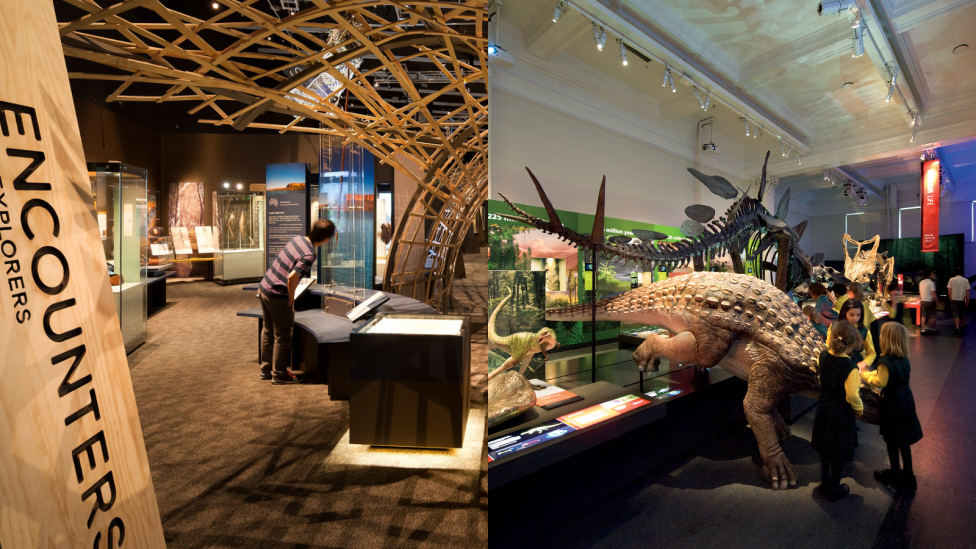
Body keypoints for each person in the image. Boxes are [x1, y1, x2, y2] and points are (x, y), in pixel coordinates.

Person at [258, 219, 336, 384]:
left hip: (265, 286)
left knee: (268, 329)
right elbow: (292, 277)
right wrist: (291, 298)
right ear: (327, 238)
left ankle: (266, 369)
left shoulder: (298, 239)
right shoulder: (310, 254)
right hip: (277, 294)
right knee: (283, 334)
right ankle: (278, 374)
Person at [860, 322, 923, 492]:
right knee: (904, 442)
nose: (879, 336)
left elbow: (881, 381)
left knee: (892, 440)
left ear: (887, 339)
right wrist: (873, 373)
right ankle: (909, 476)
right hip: (905, 401)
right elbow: (888, 376)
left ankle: (895, 474)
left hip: (893, 405)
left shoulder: (885, 361)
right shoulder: (903, 359)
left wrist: (864, 374)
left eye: (881, 334)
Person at [812, 320, 864, 501]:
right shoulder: (851, 368)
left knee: (825, 449)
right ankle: (835, 487)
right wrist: (859, 409)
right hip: (841, 414)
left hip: (824, 408)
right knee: (839, 451)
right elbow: (852, 395)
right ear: (852, 344)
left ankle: (824, 482)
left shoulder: (823, 356)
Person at [826, 299, 876, 369]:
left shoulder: (864, 331)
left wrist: (865, 363)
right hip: (837, 365)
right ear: (844, 313)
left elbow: (871, 353)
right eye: (851, 315)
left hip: (856, 367)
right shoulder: (834, 327)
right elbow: (828, 346)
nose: (855, 318)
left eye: (858, 315)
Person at [947, 267, 969, 335]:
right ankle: (963, 324)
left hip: (954, 299)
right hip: (962, 299)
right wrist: (967, 300)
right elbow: (967, 291)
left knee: (955, 314)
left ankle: (957, 328)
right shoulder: (965, 280)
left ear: (955, 272)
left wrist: (950, 298)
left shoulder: (951, 280)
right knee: (962, 313)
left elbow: (949, 290)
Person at [918, 270, 938, 335]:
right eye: (931, 273)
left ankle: (923, 329)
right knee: (933, 315)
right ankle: (930, 327)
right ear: (929, 275)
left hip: (923, 301)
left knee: (923, 315)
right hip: (930, 301)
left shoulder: (921, 282)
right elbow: (933, 293)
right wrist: (936, 300)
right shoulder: (931, 283)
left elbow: (920, 292)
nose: (932, 274)